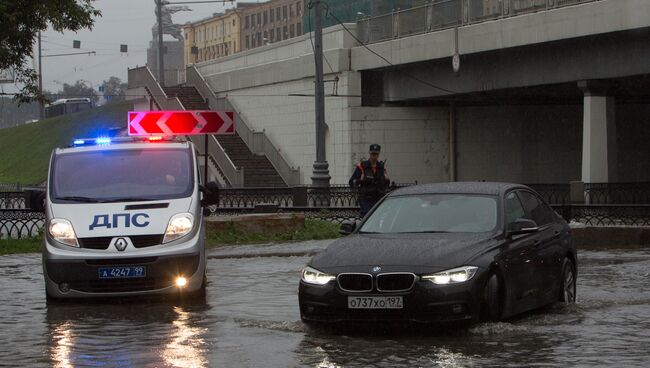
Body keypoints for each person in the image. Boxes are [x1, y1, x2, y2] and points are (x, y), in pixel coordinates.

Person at [349, 144, 390, 217]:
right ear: (369, 153)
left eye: (376, 154)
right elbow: (351, 182)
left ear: (379, 154)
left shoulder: (381, 167)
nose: (374, 156)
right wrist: (360, 180)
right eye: (372, 154)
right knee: (367, 219)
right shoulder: (362, 166)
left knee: (377, 219)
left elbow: (385, 185)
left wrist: (387, 180)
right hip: (366, 200)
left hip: (378, 199)